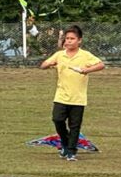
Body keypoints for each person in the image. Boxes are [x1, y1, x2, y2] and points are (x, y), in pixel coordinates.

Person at [39, 25, 105, 161]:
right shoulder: (60, 54)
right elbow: (44, 65)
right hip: (61, 96)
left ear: (79, 40)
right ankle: (64, 142)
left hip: (78, 98)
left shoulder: (85, 55)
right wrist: (48, 64)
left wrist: (86, 70)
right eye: (67, 38)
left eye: (72, 39)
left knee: (75, 126)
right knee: (57, 119)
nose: (69, 41)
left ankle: (71, 152)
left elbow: (101, 65)